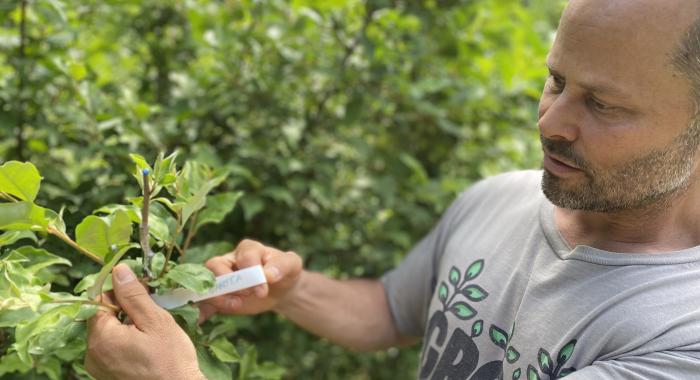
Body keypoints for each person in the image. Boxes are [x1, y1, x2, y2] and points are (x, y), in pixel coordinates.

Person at [86, 0, 700, 378]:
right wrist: (291, 293)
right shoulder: (502, 200)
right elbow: (390, 311)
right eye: (556, 80)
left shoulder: (680, 336)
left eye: (602, 104)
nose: (550, 123)